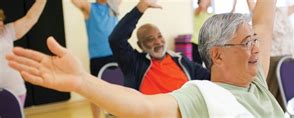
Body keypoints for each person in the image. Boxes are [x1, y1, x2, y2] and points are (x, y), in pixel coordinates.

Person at [6, 0, 279, 117]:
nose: (256, 48)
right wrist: (81, 82)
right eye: (246, 42)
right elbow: (143, 108)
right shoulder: (201, 94)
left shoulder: (251, 79)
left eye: (254, 40)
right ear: (217, 55)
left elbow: (264, 22)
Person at [108, 0, 210, 95]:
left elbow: (210, 76)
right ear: (140, 45)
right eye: (150, 39)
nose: (158, 42)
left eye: (160, 36)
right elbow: (116, 39)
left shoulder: (181, 60)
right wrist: (140, 8)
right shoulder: (134, 63)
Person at [247, 0, 294, 111]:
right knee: (270, 94)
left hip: (287, 58)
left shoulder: (282, 11)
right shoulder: (260, 12)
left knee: (284, 95)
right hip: (272, 58)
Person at [70, 0, 120, 117]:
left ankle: (115, 114)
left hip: (115, 55)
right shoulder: (89, 7)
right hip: (98, 58)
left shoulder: (114, 5)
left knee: (117, 90)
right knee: (95, 92)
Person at [0, 0, 47, 106]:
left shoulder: (7, 32)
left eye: (1, 19)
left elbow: (31, 18)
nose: (1, 23)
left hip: (15, 91)